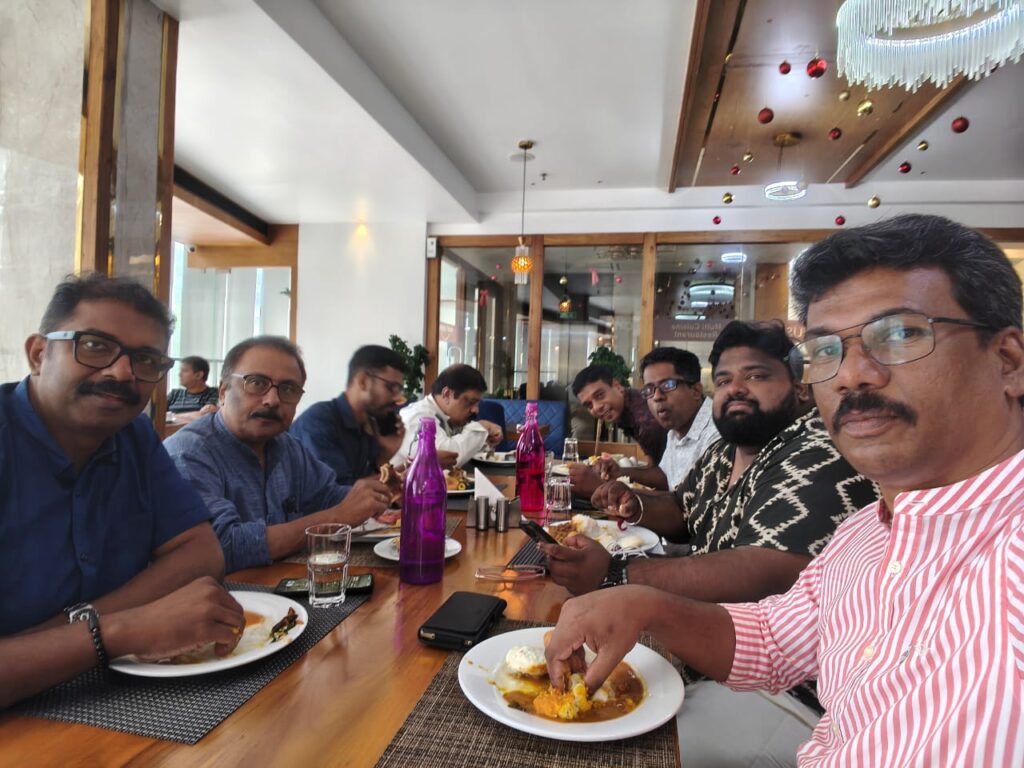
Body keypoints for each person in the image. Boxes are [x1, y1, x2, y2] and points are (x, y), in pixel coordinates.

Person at [546, 214, 1024, 765]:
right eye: (827, 350)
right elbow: (774, 638)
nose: (851, 374)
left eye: (899, 334)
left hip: (791, 708)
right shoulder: (866, 532)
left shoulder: (1003, 563)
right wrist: (642, 602)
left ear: (1008, 361)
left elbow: (767, 567)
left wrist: (621, 574)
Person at [0, 273, 243, 709]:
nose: (122, 373)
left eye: (146, 360)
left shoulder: (133, 436)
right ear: (38, 354)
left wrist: (76, 630)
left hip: (108, 698)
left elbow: (201, 552)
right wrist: (114, 631)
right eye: (95, 346)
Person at [165, 336, 395, 573]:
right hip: (219, 592)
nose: (272, 400)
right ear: (223, 392)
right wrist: (337, 517)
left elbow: (327, 496)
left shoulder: (287, 446)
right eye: (256, 383)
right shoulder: (189, 453)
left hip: (282, 586)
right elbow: (220, 546)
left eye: (288, 389)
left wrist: (376, 496)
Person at [587, 347, 720, 491]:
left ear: (696, 391)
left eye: (668, 385)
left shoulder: (718, 436)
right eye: (649, 389)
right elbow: (666, 477)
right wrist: (620, 473)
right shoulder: (676, 428)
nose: (657, 396)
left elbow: (691, 501)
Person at [290, 345, 408, 485]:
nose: (397, 398)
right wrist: (400, 475)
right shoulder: (318, 423)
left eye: (399, 389)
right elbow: (339, 493)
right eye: (392, 387)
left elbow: (361, 484)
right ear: (363, 381)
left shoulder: (368, 424)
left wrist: (386, 453)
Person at [569, 364, 668, 496]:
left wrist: (608, 480)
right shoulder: (629, 408)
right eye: (589, 405)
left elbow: (668, 478)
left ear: (617, 386)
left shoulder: (644, 420)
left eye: (600, 395)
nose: (596, 407)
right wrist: (619, 472)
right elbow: (653, 464)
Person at [393, 364, 503, 469]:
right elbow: (446, 458)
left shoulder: (446, 416)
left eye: (477, 404)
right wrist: (482, 428)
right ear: (446, 394)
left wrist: (486, 439)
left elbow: (463, 449)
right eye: (470, 402)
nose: (476, 410)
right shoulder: (417, 416)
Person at [166, 355, 219, 422]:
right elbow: (158, 414)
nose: (179, 374)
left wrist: (171, 416)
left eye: (184, 371)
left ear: (198, 375)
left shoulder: (213, 393)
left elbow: (205, 416)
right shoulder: (174, 394)